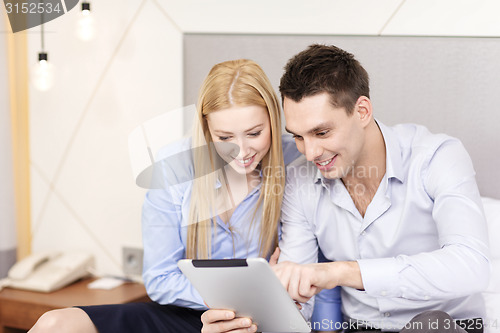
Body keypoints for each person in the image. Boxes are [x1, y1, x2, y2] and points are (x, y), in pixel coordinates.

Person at [201, 44, 490, 333]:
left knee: (431, 325)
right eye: (298, 137)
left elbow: (471, 266)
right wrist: (248, 322)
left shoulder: (436, 157)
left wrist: (340, 271)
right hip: (358, 328)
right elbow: (296, 301)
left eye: (322, 132)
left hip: (445, 325)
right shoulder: (300, 179)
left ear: (362, 111)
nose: (311, 152)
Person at [28, 59, 305, 333]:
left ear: (273, 119)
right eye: (224, 138)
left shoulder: (297, 160)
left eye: (255, 133)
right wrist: (237, 300)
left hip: (261, 318)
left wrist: (258, 304)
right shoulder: (174, 167)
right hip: (190, 313)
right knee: (55, 323)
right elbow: (160, 278)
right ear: (206, 130)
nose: (241, 151)